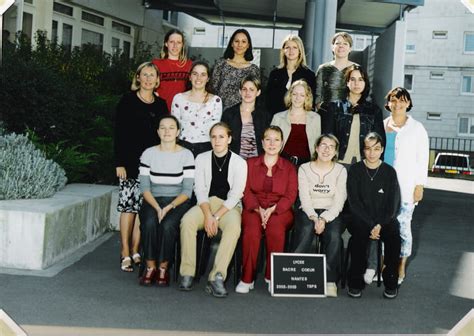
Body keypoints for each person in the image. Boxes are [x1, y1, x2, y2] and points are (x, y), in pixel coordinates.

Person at [179, 122, 247, 298]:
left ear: (229, 139)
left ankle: (217, 276)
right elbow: (199, 189)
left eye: (221, 137)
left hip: (228, 207)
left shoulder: (240, 162)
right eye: (214, 137)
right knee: (187, 221)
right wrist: (208, 215)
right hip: (206, 204)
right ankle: (187, 272)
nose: (217, 141)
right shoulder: (201, 158)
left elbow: (236, 195)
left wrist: (215, 218)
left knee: (234, 228)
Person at [114, 62, 168, 272]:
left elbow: (164, 134)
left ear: (157, 80)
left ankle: (136, 250)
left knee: (143, 209)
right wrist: (119, 162)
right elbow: (118, 133)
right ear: (138, 78)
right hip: (129, 163)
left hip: (151, 166)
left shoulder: (161, 105)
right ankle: (125, 251)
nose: (147, 78)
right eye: (144, 75)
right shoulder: (127, 101)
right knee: (128, 208)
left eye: (151, 75)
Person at [236, 126, 298, 294]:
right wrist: (257, 209)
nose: (272, 143)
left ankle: (273, 277)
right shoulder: (249, 164)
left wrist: (272, 210)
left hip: (280, 210)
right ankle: (247, 278)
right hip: (253, 207)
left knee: (276, 229)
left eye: (276, 139)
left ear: (282, 143)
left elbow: (291, 195)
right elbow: (245, 190)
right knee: (251, 231)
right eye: (268, 139)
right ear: (262, 142)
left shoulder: (290, 168)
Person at [138, 115, 195, 286]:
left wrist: (169, 206)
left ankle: (163, 268)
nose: (167, 131)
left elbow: (187, 191)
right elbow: (145, 188)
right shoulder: (148, 153)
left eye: (171, 127)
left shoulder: (186, 155)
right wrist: (157, 207)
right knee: (148, 222)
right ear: (157, 132)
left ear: (178, 132)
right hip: (153, 199)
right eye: (163, 127)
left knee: (168, 225)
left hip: (178, 201)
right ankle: (150, 266)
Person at [346, 132, 401, 299]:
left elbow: (393, 205)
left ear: (382, 150)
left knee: (394, 236)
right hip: (360, 219)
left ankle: (390, 280)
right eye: (368, 149)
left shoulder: (389, 172)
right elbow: (353, 203)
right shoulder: (355, 170)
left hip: (383, 221)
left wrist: (379, 225)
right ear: (363, 150)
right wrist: (371, 224)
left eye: (376, 149)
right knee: (358, 237)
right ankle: (355, 282)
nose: (372, 153)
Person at [383, 87, 429, 285]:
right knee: (384, 225)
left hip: (407, 187)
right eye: (394, 100)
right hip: (384, 188)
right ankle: (384, 264)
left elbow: (422, 158)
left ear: (408, 103)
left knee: (403, 227)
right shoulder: (383, 125)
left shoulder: (417, 128)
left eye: (402, 100)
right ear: (388, 103)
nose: (398, 104)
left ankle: (401, 265)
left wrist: (420, 185)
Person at [293, 134, 347, 297]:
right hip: (308, 209)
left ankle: (329, 279)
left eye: (331, 147)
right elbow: (304, 197)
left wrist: (324, 218)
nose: (326, 149)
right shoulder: (304, 168)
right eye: (323, 145)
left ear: (335, 152)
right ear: (316, 148)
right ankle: (294, 273)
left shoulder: (341, 170)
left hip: (331, 211)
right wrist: (314, 217)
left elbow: (339, 201)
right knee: (305, 230)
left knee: (334, 235)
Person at [320, 65, 385, 165]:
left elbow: (380, 141)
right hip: (339, 162)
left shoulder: (374, 110)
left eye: (360, 79)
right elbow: (327, 137)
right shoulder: (334, 107)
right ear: (347, 82)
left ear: (365, 83)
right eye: (352, 79)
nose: (356, 83)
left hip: (364, 163)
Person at [171, 61, 223, 157]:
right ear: (190, 77)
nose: (198, 78)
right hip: (182, 148)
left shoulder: (216, 101)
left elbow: (215, 130)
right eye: (195, 74)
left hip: (206, 149)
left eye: (203, 74)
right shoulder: (178, 98)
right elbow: (174, 128)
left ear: (208, 79)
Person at [270, 80, 321, 166]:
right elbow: (270, 144)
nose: (298, 98)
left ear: (307, 97)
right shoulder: (278, 117)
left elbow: (317, 146)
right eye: (294, 94)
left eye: (302, 95)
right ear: (290, 95)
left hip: (306, 166)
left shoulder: (315, 118)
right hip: (282, 164)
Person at [210, 29, 260, 110]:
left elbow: (255, 96)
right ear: (232, 44)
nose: (240, 44)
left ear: (248, 45)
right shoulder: (221, 65)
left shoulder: (254, 69)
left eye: (243, 41)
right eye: (236, 41)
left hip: (244, 115)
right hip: (221, 112)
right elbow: (212, 90)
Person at [266, 34, 316, 116]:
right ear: (283, 50)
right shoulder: (275, 74)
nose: (291, 50)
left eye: (295, 47)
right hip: (277, 120)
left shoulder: (309, 75)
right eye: (287, 47)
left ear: (300, 50)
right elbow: (268, 101)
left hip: (300, 120)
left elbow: (311, 104)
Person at [221, 75, 269, 159]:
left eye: (251, 89)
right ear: (240, 91)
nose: (247, 93)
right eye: (244, 89)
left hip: (257, 163)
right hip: (234, 161)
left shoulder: (265, 115)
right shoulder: (229, 113)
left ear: (258, 92)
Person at [153, 29, 192, 112]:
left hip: (183, 110)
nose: (175, 46)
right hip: (161, 109)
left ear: (182, 45)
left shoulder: (190, 65)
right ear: (166, 44)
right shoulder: (156, 64)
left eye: (178, 42)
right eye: (172, 42)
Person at [315, 32, 357, 110]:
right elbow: (317, 95)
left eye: (345, 43)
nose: (341, 46)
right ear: (332, 47)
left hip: (351, 113)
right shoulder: (323, 68)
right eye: (338, 43)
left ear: (350, 48)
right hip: (326, 114)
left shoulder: (357, 68)